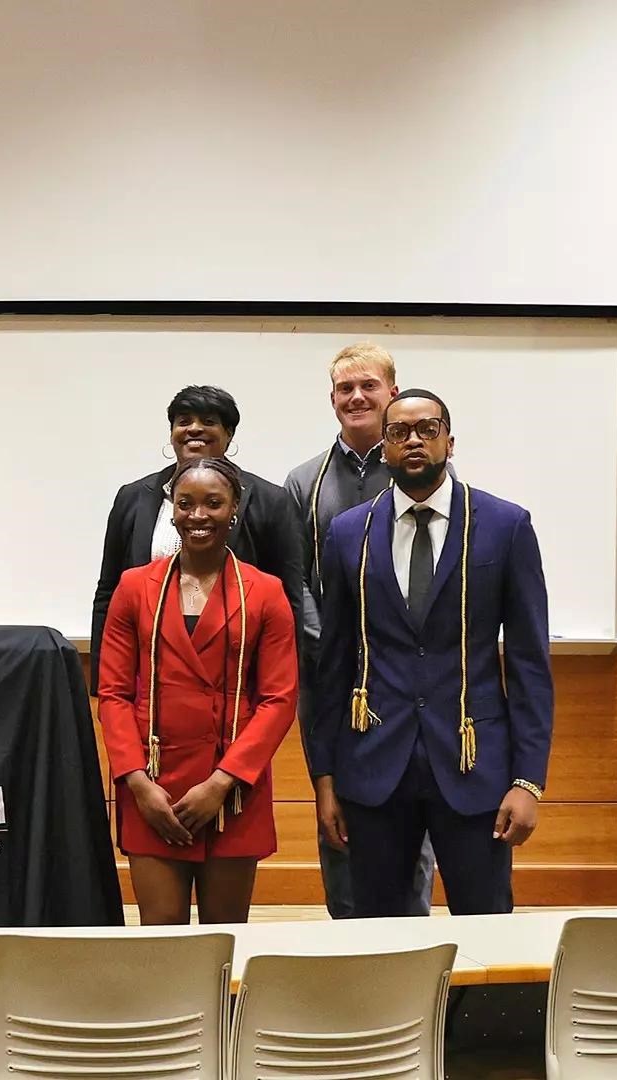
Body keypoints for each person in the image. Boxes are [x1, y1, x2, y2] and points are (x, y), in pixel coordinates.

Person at [311, 389, 553, 917]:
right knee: (378, 932)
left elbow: (530, 665)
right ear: (384, 447)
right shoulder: (349, 533)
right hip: (373, 766)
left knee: (486, 924)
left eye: (427, 429)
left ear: (450, 441)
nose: (414, 440)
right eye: (399, 432)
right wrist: (324, 780)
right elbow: (332, 668)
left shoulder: (505, 526)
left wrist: (528, 781)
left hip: (473, 762)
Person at [96, 457, 298, 926]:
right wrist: (136, 782)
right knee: (162, 946)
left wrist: (222, 782)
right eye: (185, 504)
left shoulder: (265, 592)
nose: (198, 515)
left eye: (213, 503)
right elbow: (113, 693)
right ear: (172, 510)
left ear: (235, 508)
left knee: (223, 944)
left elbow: (278, 699)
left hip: (232, 791)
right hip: (154, 787)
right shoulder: (134, 587)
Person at [282, 342, 437, 918]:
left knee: (415, 803)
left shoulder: (426, 472)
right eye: (345, 389)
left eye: (368, 386)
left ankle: (412, 934)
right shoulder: (304, 482)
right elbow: (294, 578)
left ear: (391, 393)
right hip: (332, 675)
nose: (357, 397)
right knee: (338, 810)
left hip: (410, 678)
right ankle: (346, 933)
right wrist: (331, 647)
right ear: (332, 400)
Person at [92, 385, 304, 685]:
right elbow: (108, 591)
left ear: (229, 434)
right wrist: (101, 679)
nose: (194, 429)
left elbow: (289, 597)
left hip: (235, 674)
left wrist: (285, 682)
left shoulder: (271, 501)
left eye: (208, 421)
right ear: (171, 433)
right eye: (183, 421)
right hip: (147, 672)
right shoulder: (133, 497)